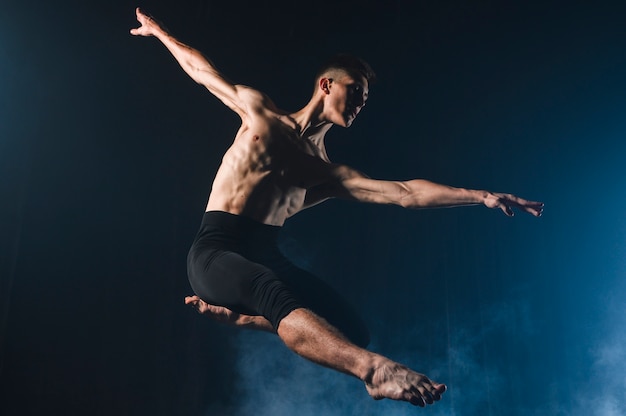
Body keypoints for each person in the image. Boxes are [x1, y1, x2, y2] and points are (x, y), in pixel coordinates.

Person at [130, 7, 543, 408]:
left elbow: (404, 192)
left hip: (264, 255)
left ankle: (248, 319)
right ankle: (375, 372)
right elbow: (203, 72)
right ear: (327, 85)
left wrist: (481, 196)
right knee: (273, 293)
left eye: (365, 98)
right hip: (216, 252)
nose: (362, 102)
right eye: (356, 91)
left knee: (352, 328)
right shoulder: (261, 114)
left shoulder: (328, 173)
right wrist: (161, 33)